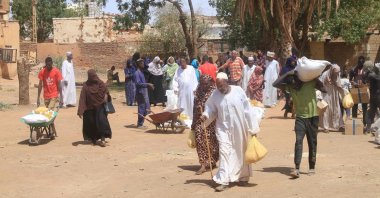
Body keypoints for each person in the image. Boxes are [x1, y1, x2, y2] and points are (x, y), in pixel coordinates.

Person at [200, 72, 259, 192]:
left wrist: (253, 128)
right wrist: (205, 115)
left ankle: (242, 177)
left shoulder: (238, 91)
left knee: (240, 151)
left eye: (222, 85)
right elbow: (210, 109)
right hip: (223, 128)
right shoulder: (215, 95)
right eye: (218, 86)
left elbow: (247, 110)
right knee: (224, 152)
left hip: (239, 127)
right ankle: (223, 180)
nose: (220, 88)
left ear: (227, 82)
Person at [273, 70, 326, 178]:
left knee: (312, 143)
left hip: (312, 117)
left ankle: (312, 167)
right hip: (300, 118)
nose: (293, 85)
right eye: (291, 83)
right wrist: (288, 73)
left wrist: (314, 77)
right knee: (298, 141)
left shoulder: (309, 83)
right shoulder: (291, 87)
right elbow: (275, 84)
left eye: (294, 82)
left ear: (300, 80)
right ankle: (296, 168)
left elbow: (324, 89)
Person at [191, 74, 219, 175]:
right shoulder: (198, 92)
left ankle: (212, 161)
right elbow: (194, 108)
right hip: (200, 120)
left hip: (211, 121)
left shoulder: (215, 93)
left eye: (206, 84)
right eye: (202, 83)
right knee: (200, 141)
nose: (204, 86)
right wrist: (193, 123)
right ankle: (203, 164)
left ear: (210, 83)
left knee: (212, 143)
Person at [77, 69, 112, 147]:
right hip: (90, 108)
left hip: (100, 107)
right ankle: (94, 140)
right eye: (91, 76)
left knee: (102, 122)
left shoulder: (101, 83)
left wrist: (105, 98)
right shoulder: (86, 86)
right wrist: (80, 110)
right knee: (92, 124)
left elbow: (106, 92)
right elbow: (82, 98)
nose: (93, 78)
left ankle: (103, 139)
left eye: (94, 76)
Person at [37, 57, 63, 139]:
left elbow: (59, 85)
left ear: (52, 63)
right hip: (46, 96)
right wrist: (38, 97)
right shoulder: (42, 72)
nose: (48, 66)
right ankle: (52, 131)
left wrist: (61, 97)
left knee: (49, 111)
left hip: (54, 95)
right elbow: (40, 84)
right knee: (49, 115)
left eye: (50, 64)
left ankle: (51, 131)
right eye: (47, 65)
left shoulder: (56, 71)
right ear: (45, 64)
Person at [319, 64, 345, 132]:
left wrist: (342, 92)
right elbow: (320, 84)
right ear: (332, 70)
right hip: (326, 95)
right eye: (335, 72)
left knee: (337, 110)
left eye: (337, 73)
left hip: (334, 96)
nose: (336, 74)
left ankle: (340, 125)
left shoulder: (337, 75)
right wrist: (326, 80)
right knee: (326, 110)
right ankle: (326, 127)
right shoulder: (325, 74)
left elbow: (339, 84)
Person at [172, 58, 199, 122]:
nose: (182, 65)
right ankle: (183, 119)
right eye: (181, 63)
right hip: (182, 91)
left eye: (183, 63)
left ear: (186, 62)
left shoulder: (191, 68)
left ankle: (191, 118)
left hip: (190, 91)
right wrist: (175, 88)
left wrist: (195, 88)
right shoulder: (178, 70)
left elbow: (194, 79)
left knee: (190, 103)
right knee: (182, 104)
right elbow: (175, 80)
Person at [134, 58, 154, 128]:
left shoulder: (141, 72)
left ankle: (141, 123)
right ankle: (139, 124)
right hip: (140, 93)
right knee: (141, 108)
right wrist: (148, 84)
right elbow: (138, 84)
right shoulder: (137, 73)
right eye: (142, 63)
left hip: (144, 92)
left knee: (146, 108)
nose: (143, 64)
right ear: (139, 64)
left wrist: (148, 85)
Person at [349, 56, 368, 126]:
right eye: (359, 63)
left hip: (363, 90)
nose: (360, 65)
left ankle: (365, 123)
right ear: (358, 62)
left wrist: (365, 83)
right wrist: (352, 82)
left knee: (364, 106)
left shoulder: (366, 70)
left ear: (363, 63)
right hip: (355, 89)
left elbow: (368, 80)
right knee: (354, 106)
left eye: (362, 64)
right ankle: (354, 123)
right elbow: (350, 79)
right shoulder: (353, 70)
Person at [365, 63, 380, 133]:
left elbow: (366, 80)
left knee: (372, 113)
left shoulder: (372, 75)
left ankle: (369, 128)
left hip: (373, 96)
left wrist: (368, 71)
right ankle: (375, 128)